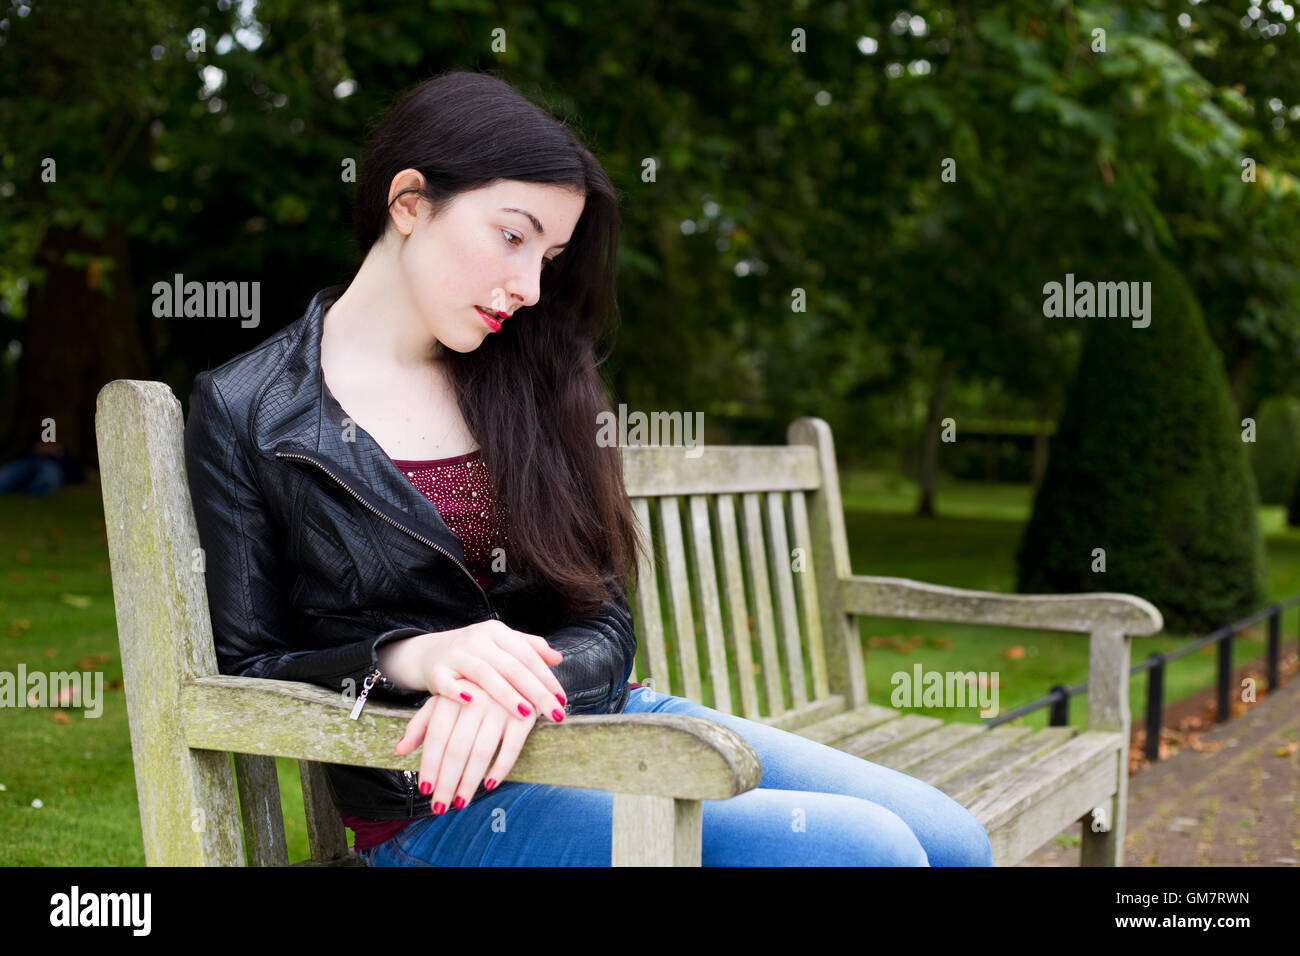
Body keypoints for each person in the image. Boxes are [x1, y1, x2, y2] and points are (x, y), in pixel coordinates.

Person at [183, 69, 993, 867]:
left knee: (953, 840)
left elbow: (604, 617)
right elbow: (248, 664)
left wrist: (515, 686)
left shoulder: (530, 374)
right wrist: (414, 657)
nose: (530, 287)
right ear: (409, 202)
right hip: (443, 804)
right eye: (512, 235)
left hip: (603, 722)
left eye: (551, 255)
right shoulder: (248, 407)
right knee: (869, 852)